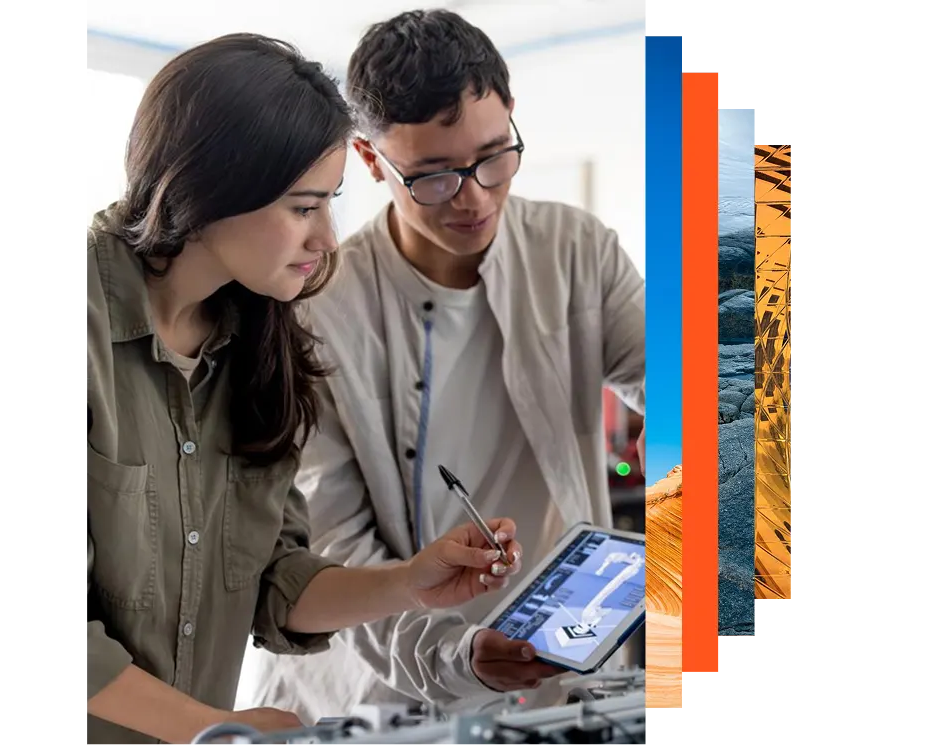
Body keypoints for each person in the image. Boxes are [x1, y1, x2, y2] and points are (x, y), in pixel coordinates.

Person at [86, 33, 525, 745]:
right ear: (209, 189)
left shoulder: (259, 343)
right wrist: (216, 727)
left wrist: (408, 583)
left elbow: (272, 579)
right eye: (303, 206)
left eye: (331, 204)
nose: (327, 236)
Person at [237, 9, 645, 722]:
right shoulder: (312, 308)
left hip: (554, 673)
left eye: (493, 157)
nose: (474, 197)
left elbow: (692, 390)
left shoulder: (577, 249)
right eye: (432, 177)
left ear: (512, 115)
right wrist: (455, 655)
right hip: (369, 691)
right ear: (369, 161)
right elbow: (332, 550)